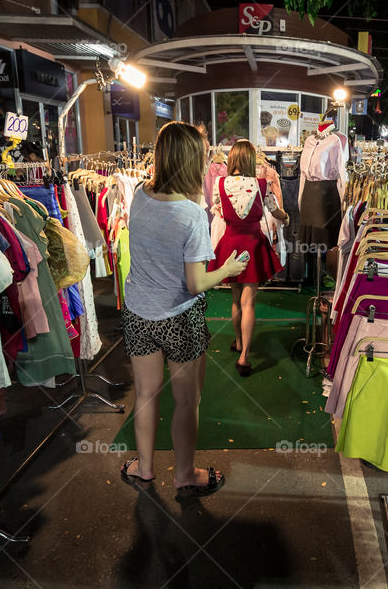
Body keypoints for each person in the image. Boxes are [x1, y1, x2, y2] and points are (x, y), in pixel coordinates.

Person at [120, 121, 248, 497]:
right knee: (187, 400)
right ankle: (184, 473)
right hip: (179, 316)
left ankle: (144, 468)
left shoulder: (140, 194)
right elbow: (195, 283)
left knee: (145, 395)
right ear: (193, 161)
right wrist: (227, 270)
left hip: (138, 311)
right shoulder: (191, 215)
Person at [209, 139, 288, 377]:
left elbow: (218, 209)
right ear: (250, 159)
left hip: (230, 243)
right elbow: (275, 211)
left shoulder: (219, 183)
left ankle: (238, 342)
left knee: (235, 298)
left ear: (232, 159)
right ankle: (244, 358)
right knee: (248, 302)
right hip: (253, 244)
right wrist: (286, 218)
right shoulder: (261, 184)